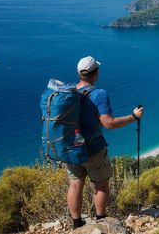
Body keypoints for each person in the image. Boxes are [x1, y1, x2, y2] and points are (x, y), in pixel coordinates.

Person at [67, 56, 143, 229]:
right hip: (93, 149)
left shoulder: (69, 92)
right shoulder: (99, 94)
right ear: (96, 73)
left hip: (70, 149)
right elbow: (109, 123)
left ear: (79, 73)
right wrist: (133, 117)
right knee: (101, 186)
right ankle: (101, 221)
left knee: (74, 185)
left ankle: (76, 223)